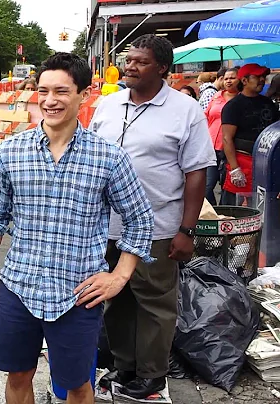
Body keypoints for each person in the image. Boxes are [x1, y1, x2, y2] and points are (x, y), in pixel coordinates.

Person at [0, 52, 155, 404]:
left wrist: (118, 276)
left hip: (78, 293)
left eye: (61, 91)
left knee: (76, 384)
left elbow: (140, 219)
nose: (50, 100)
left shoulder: (108, 156)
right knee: (18, 375)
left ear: (82, 95)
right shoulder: (10, 152)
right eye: (43, 91)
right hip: (19, 286)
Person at [91, 34, 215, 399]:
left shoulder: (185, 110)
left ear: (162, 68)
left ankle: (151, 375)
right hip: (108, 227)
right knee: (116, 300)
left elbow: (196, 173)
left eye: (140, 61)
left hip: (158, 229)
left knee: (154, 305)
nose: (130, 66)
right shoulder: (108, 106)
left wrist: (186, 230)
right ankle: (124, 366)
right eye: (129, 59)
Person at [221, 63, 280, 205]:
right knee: (240, 210)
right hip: (243, 161)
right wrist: (235, 169)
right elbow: (227, 138)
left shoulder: (268, 103)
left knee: (266, 206)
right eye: (257, 76)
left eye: (263, 77)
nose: (262, 80)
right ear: (244, 80)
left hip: (268, 161)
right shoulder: (233, 106)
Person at [204, 68, 240, 205]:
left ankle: (223, 213)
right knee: (207, 185)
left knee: (226, 186)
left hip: (229, 149)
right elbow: (206, 117)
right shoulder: (216, 96)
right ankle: (213, 210)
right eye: (226, 78)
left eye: (232, 78)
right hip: (211, 146)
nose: (229, 81)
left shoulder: (241, 99)